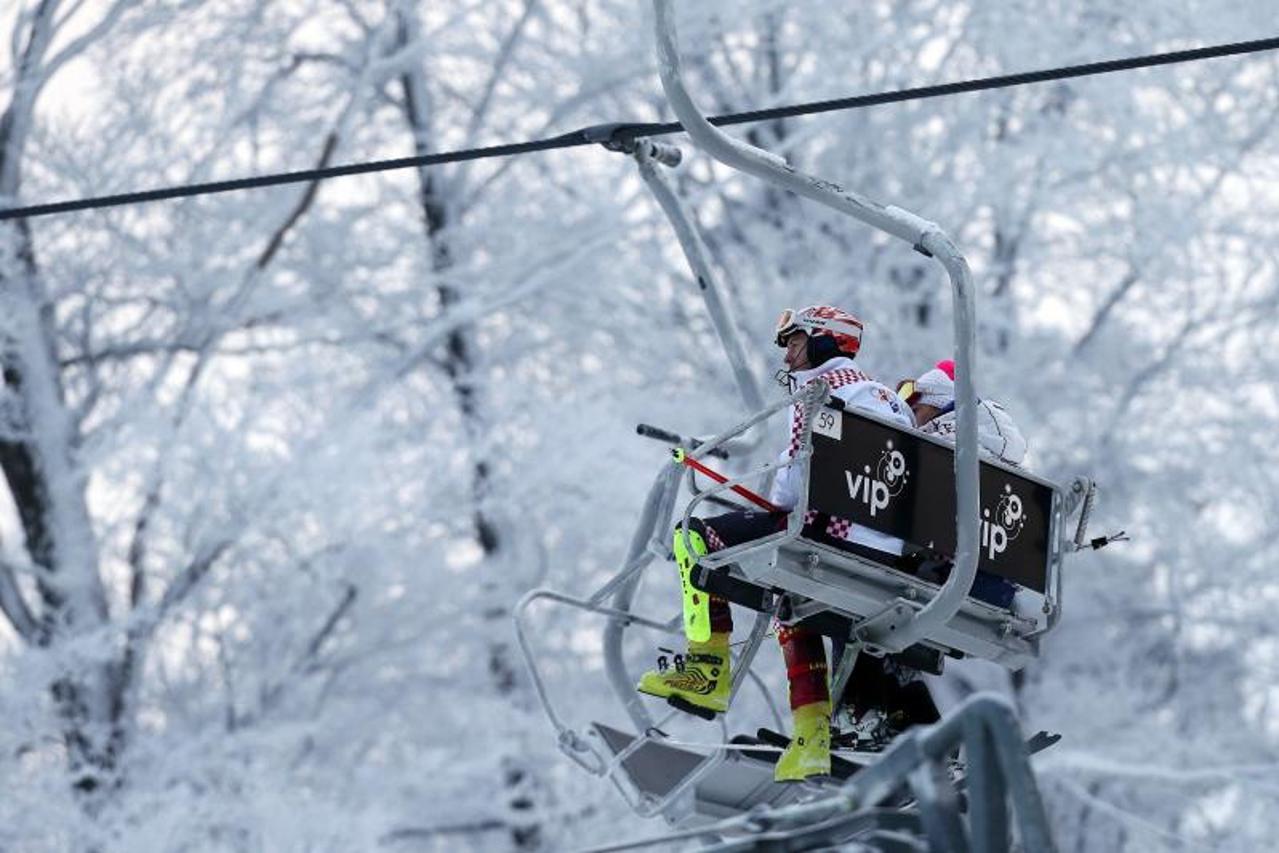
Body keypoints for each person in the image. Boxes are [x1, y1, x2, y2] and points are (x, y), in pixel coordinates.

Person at [636, 305, 913, 782]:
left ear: (825, 340)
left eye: (794, 340)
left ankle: (706, 666)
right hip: (886, 550)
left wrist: (767, 493)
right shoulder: (890, 401)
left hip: (829, 535)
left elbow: (791, 491)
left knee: (693, 536)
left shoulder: (821, 392)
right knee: (790, 597)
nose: (786, 352)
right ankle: (811, 739)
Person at [834, 358, 1029, 743]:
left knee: (850, 600)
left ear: (940, 402)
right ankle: (914, 720)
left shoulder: (941, 444)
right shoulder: (1001, 457)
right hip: (992, 586)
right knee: (896, 622)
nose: (910, 414)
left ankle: (862, 706)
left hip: (944, 576)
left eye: (915, 402)